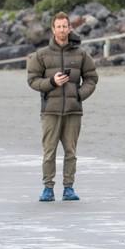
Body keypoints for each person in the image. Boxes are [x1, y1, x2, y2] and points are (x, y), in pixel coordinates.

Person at [26, 12, 99, 202]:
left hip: (73, 110)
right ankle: (48, 188)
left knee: (71, 152)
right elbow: (32, 80)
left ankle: (69, 188)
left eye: (65, 26)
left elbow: (92, 78)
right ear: (53, 29)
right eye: (58, 27)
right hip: (50, 110)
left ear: (69, 28)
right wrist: (51, 82)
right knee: (49, 152)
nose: (62, 30)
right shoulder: (41, 55)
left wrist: (79, 95)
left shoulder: (81, 54)